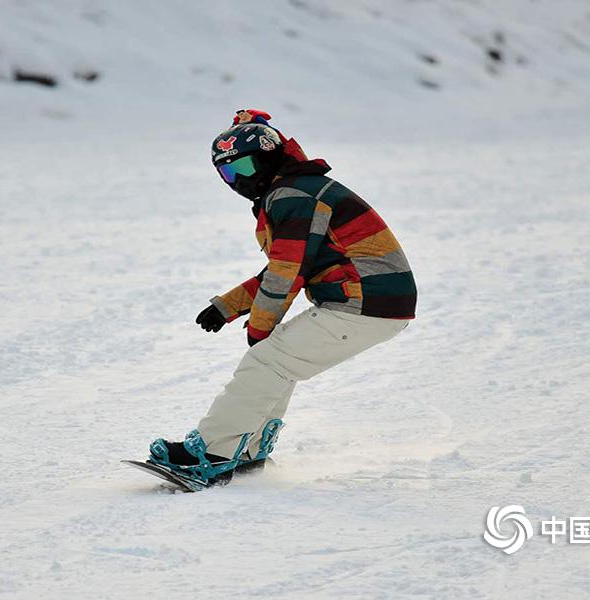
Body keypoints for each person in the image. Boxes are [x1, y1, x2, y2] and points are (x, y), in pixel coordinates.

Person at [148, 109, 417, 486]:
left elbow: (286, 272)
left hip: (365, 302)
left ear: (270, 157)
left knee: (267, 361)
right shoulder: (296, 189)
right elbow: (289, 265)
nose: (239, 180)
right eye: (228, 173)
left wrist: (259, 329)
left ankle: (210, 453)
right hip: (372, 302)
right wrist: (228, 306)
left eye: (244, 166)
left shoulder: (293, 195)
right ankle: (245, 452)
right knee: (277, 363)